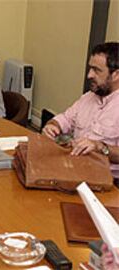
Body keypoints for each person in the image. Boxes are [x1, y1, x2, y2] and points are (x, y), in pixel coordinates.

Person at [42, 42, 119, 181]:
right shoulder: (88, 97)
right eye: (90, 68)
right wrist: (53, 125)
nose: (89, 75)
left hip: (109, 181)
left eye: (96, 70)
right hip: (76, 169)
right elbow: (65, 119)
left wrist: (100, 147)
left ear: (116, 75)